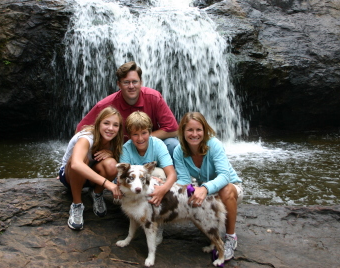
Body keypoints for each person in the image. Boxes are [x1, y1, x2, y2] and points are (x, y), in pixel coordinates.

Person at [173, 112, 243, 261]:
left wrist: (204, 188)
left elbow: (225, 176)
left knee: (225, 189)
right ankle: (213, 234)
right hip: (209, 193)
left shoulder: (214, 144)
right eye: (190, 130)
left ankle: (230, 238)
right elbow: (185, 181)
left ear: (204, 130)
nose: (194, 134)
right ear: (183, 131)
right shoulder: (179, 151)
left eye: (198, 130)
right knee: (188, 196)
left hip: (230, 189)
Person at [75, 61, 179, 158]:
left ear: (141, 82)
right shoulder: (106, 105)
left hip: (150, 147)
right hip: (118, 152)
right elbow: (80, 131)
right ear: (119, 84)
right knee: (106, 162)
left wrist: (140, 138)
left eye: (134, 82)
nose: (131, 86)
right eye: (126, 82)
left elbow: (174, 130)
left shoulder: (154, 97)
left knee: (173, 144)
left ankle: (175, 176)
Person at [58, 106, 124, 230]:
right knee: (81, 161)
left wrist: (112, 154)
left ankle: (96, 194)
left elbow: (122, 164)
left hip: (91, 177)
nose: (111, 128)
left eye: (116, 125)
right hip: (70, 176)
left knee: (112, 164)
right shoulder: (86, 137)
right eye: (106, 123)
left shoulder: (115, 140)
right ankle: (77, 204)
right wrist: (109, 185)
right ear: (98, 123)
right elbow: (76, 164)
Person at [120, 111, 177, 206]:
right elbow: (122, 178)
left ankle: (157, 204)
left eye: (144, 133)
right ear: (129, 136)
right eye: (135, 134)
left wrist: (163, 188)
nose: (140, 138)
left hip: (156, 181)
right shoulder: (126, 149)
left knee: (160, 172)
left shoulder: (158, 144)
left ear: (150, 132)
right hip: (135, 185)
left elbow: (172, 174)